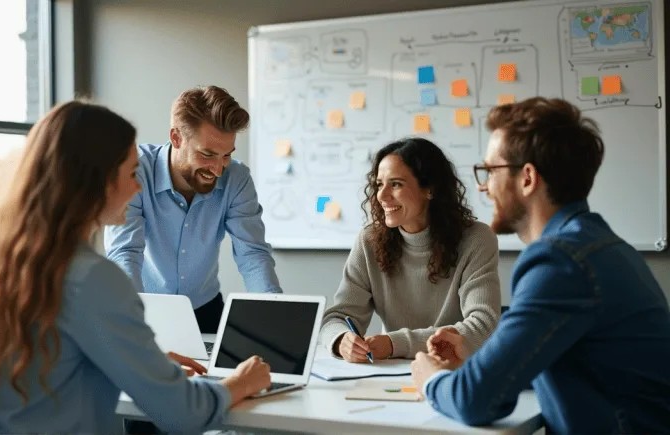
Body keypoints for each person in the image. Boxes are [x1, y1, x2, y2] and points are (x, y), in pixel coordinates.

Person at [0, 101, 271, 434]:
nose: (137, 187)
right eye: (132, 173)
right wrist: (241, 382)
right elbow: (183, 413)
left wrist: (140, 356)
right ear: (98, 180)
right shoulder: (91, 277)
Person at [411, 97, 670, 433]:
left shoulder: (559, 260)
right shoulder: (600, 246)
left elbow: (475, 400)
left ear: (528, 178)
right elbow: (569, 362)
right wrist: (480, 361)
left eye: (490, 170)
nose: (483, 185)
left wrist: (432, 380)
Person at [105, 85, 282, 333]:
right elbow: (125, 252)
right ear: (176, 138)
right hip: (143, 306)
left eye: (226, 155)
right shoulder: (135, 172)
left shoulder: (236, 178)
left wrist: (274, 314)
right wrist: (133, 324)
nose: (218, 170)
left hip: (206, 310)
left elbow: (252, 254)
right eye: (207, 154)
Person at [319, 137, 501, 362]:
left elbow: (483, 326)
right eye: (379, 184)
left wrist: (395, 343)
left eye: (395, 184)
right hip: (390, 376)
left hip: (453, 372)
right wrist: (341, 340)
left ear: (430, 189)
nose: (381, 196)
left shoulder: (477, 239)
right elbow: (335, 318)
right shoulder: (369, 241)